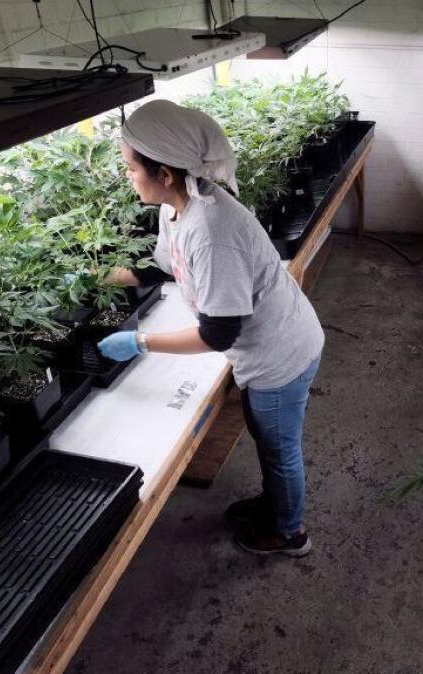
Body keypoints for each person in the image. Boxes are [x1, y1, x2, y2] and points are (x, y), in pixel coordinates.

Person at [96, 99, 325, 558]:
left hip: (279, 355)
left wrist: (140, 341)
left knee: (279, 448)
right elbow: (169, 266)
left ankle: (290, 533)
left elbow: (218, 334)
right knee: (267, 438)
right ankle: (275, 504)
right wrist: (105, 277)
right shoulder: (177, 208)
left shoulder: (213, 229)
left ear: (164, 173)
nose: (127, 176)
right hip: (267, 346)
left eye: (131, 168)